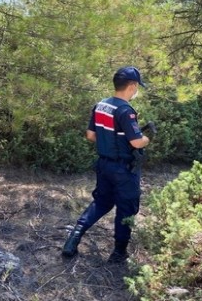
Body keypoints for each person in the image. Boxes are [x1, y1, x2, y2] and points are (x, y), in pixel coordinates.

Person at [62, 66, 152, 263]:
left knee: (102, 202)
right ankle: (119, 252)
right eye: (137, 87)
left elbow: (91, 135)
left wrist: (110, 143)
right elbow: (137, 142)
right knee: (126, 208)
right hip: (124, 170)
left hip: (103, 166)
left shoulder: (101, 105)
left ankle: (74, 237)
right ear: (132, 86)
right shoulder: (125, 110)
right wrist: (146, 138)